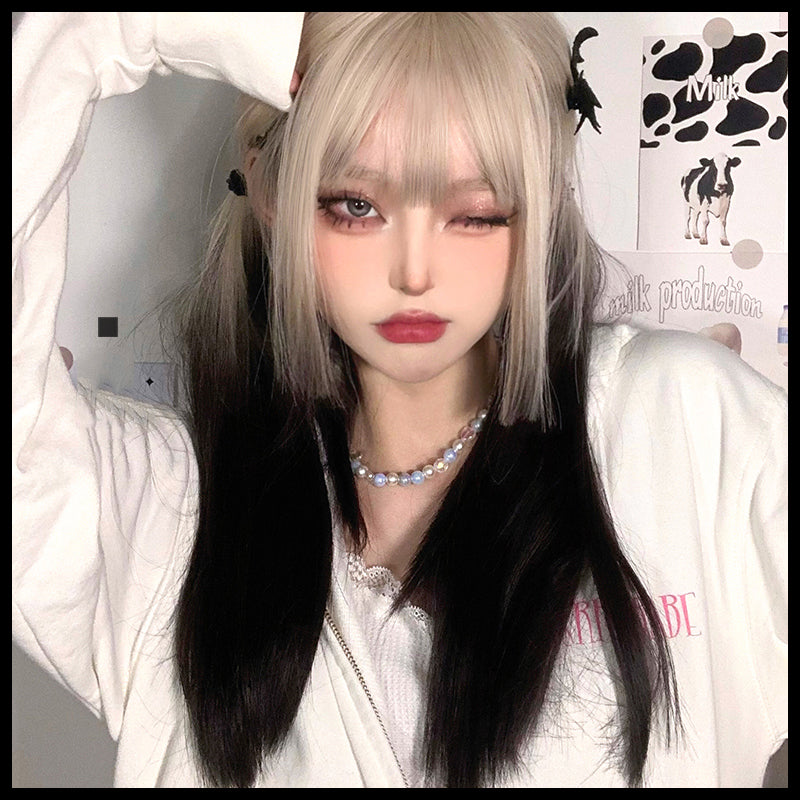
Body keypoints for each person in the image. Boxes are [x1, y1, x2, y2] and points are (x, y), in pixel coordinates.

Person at [12, 12, 786, 789]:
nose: (414, 271)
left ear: (540, 204)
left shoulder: (687, 429)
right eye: (357, 205)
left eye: (474, 213)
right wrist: (111, 27)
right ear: (273, 189)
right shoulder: (162, 518)